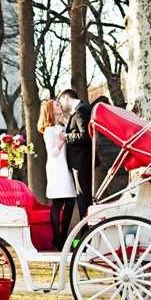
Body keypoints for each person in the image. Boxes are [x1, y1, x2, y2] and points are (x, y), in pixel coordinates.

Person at [37, 99, 76, 251]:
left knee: (70, 201)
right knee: (58, 203)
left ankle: (62, 238)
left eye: (60, 104)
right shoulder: (49, 130)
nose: (60, 106)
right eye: (57, 105)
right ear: (50, 111)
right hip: (56, 169)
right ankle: (58, 239)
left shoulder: (61, 126)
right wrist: (62, 141)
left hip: (64, 167)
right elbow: (52, 153)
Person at [57, 89, 95, 224]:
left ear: (66, 97)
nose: (60, 105)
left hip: (81, 162)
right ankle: (86, 234)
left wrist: (67, 137)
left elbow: (86, 136)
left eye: (60, 101)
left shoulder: (81, 110)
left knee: (83, 199)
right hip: (79, 162)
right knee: (82, 199)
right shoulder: (79, 110)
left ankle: (87, 235)